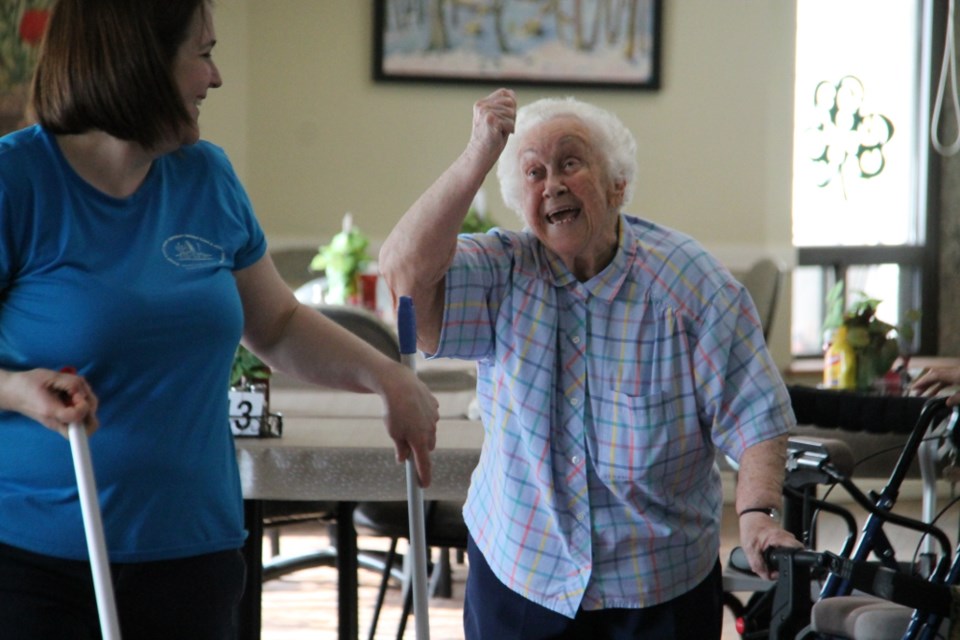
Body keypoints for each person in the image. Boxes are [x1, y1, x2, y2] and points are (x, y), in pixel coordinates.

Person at [0, 1, 438, 638]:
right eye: (202, 53)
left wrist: (387, 378)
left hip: (194, 553)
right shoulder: (17, 180)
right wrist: (16, 389)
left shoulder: (208, 178)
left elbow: (279, 324)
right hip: (37, 564)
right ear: (140, 64)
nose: (217, 77)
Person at [379, 88, 801, 639]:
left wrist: (756, 517)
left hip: (658, 582)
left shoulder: (692, 287)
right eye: (533, 173)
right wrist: (480, 151)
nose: (552, 183)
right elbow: (404, 277)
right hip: (522, 572)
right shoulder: (503, 270)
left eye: (570, 163)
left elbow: (755, 417)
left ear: (617, 184)